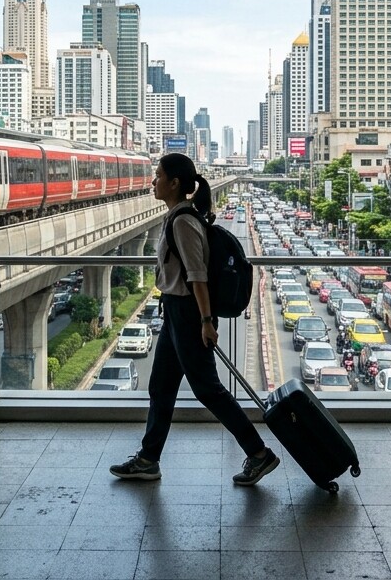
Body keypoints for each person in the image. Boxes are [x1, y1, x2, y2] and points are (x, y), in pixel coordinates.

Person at [109, 152, 279, 485]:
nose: (153, 181)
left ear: (174, 183)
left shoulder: (184, 221)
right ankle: (148, 459)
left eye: (158, 176)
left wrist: (205, 321)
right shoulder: (177, 216)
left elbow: (197, 276)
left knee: (208, 390)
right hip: (175, 312)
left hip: (188, 314)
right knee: (160, 387)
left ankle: (259, 453)